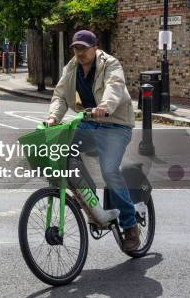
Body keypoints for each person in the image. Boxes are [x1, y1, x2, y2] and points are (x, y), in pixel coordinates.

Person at [45, 30, 139, 251]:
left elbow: (115, 87)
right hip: (89, 123)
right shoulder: (71, 67)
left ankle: (130, 224)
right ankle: (91, 202)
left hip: (115, 124)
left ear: (95, 47)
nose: (79, 52)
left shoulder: (110, 64)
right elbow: (59, 95)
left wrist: (104, 108)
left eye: (83, 48)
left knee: (109, 170)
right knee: (65, 153)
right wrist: (52, 117)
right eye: (76, 48)